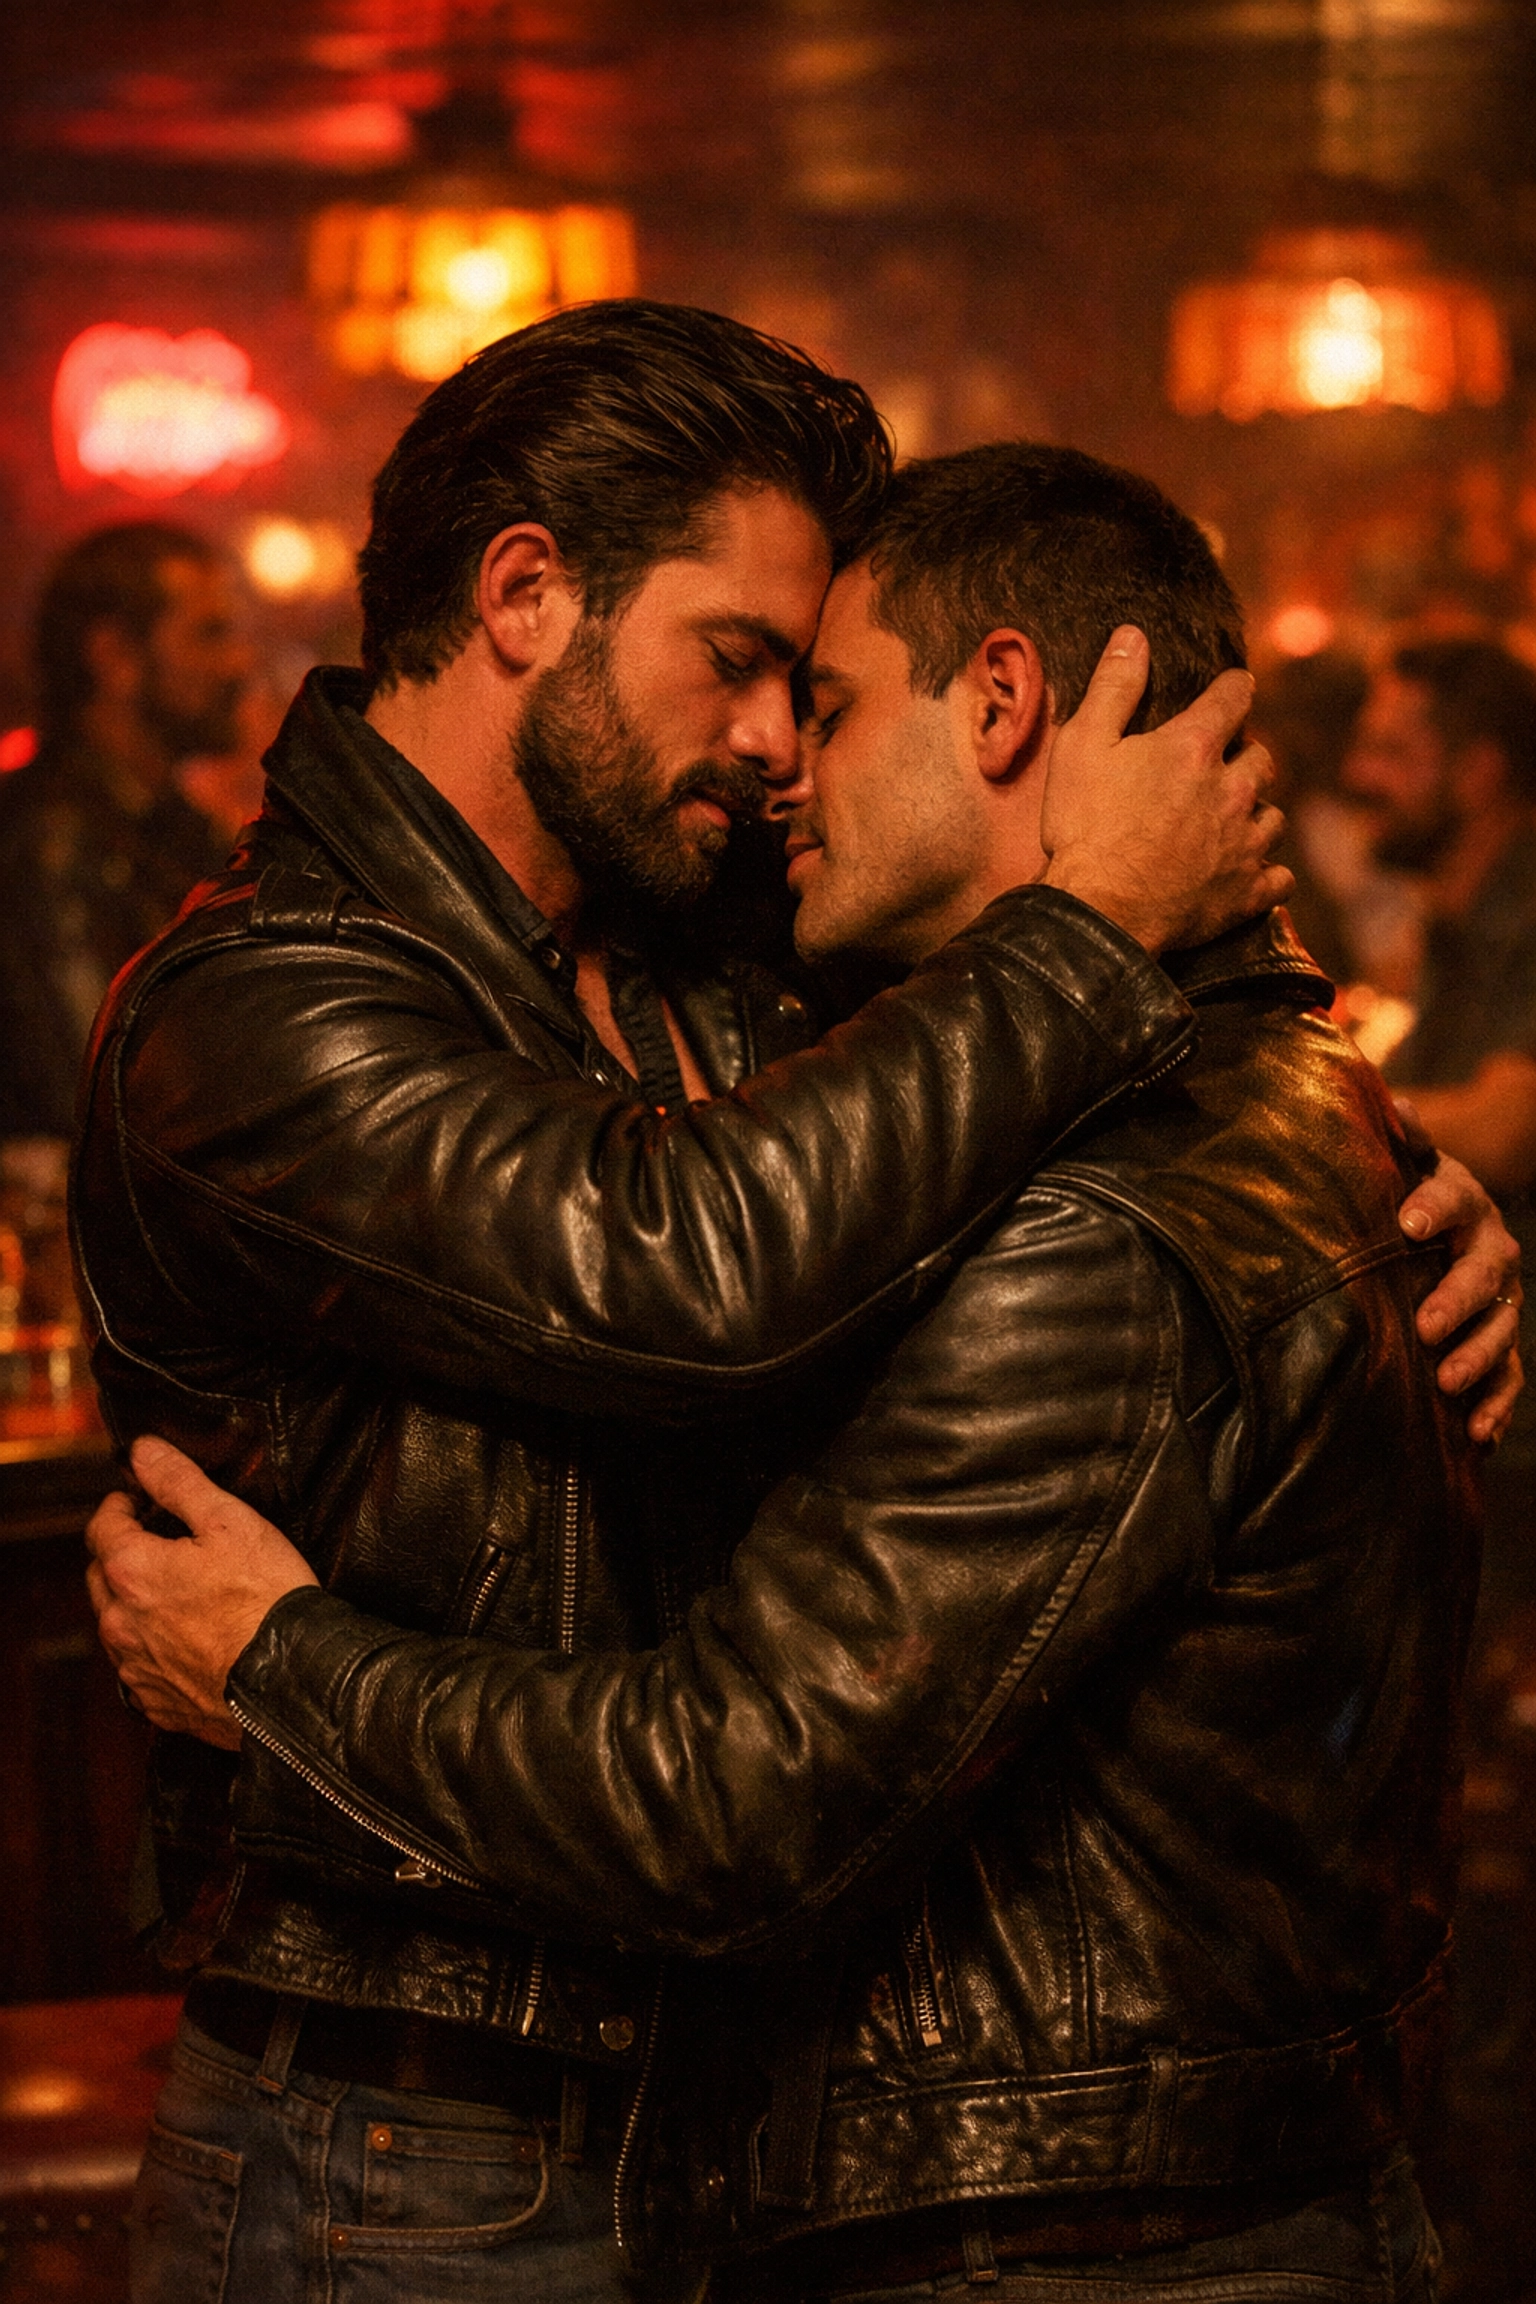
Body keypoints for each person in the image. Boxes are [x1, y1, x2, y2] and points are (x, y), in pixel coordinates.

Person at [93, 443, 1511, 2302]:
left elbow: (735, 1782)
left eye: (816, 692)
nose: (777, 749)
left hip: (937, 2164)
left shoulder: (755, 962)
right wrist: (1118, 951)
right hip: (407, 2109)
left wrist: (1365, 1164)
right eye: (743, 661)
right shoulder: (261, 997)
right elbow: (679, 1259)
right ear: (525, 596)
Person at [1345, 637, 1536, 2298]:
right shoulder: (1467, 918)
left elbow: (1517, 1107)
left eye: (1399, 745)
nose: (1366, 773)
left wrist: (1320, 1098)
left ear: (1477, 764)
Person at [0, 522, 245, 1140]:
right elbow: (97, 1094)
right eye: (207, 634)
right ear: (114, 657)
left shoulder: (173, 827)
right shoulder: (45, 844)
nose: (238, 664)